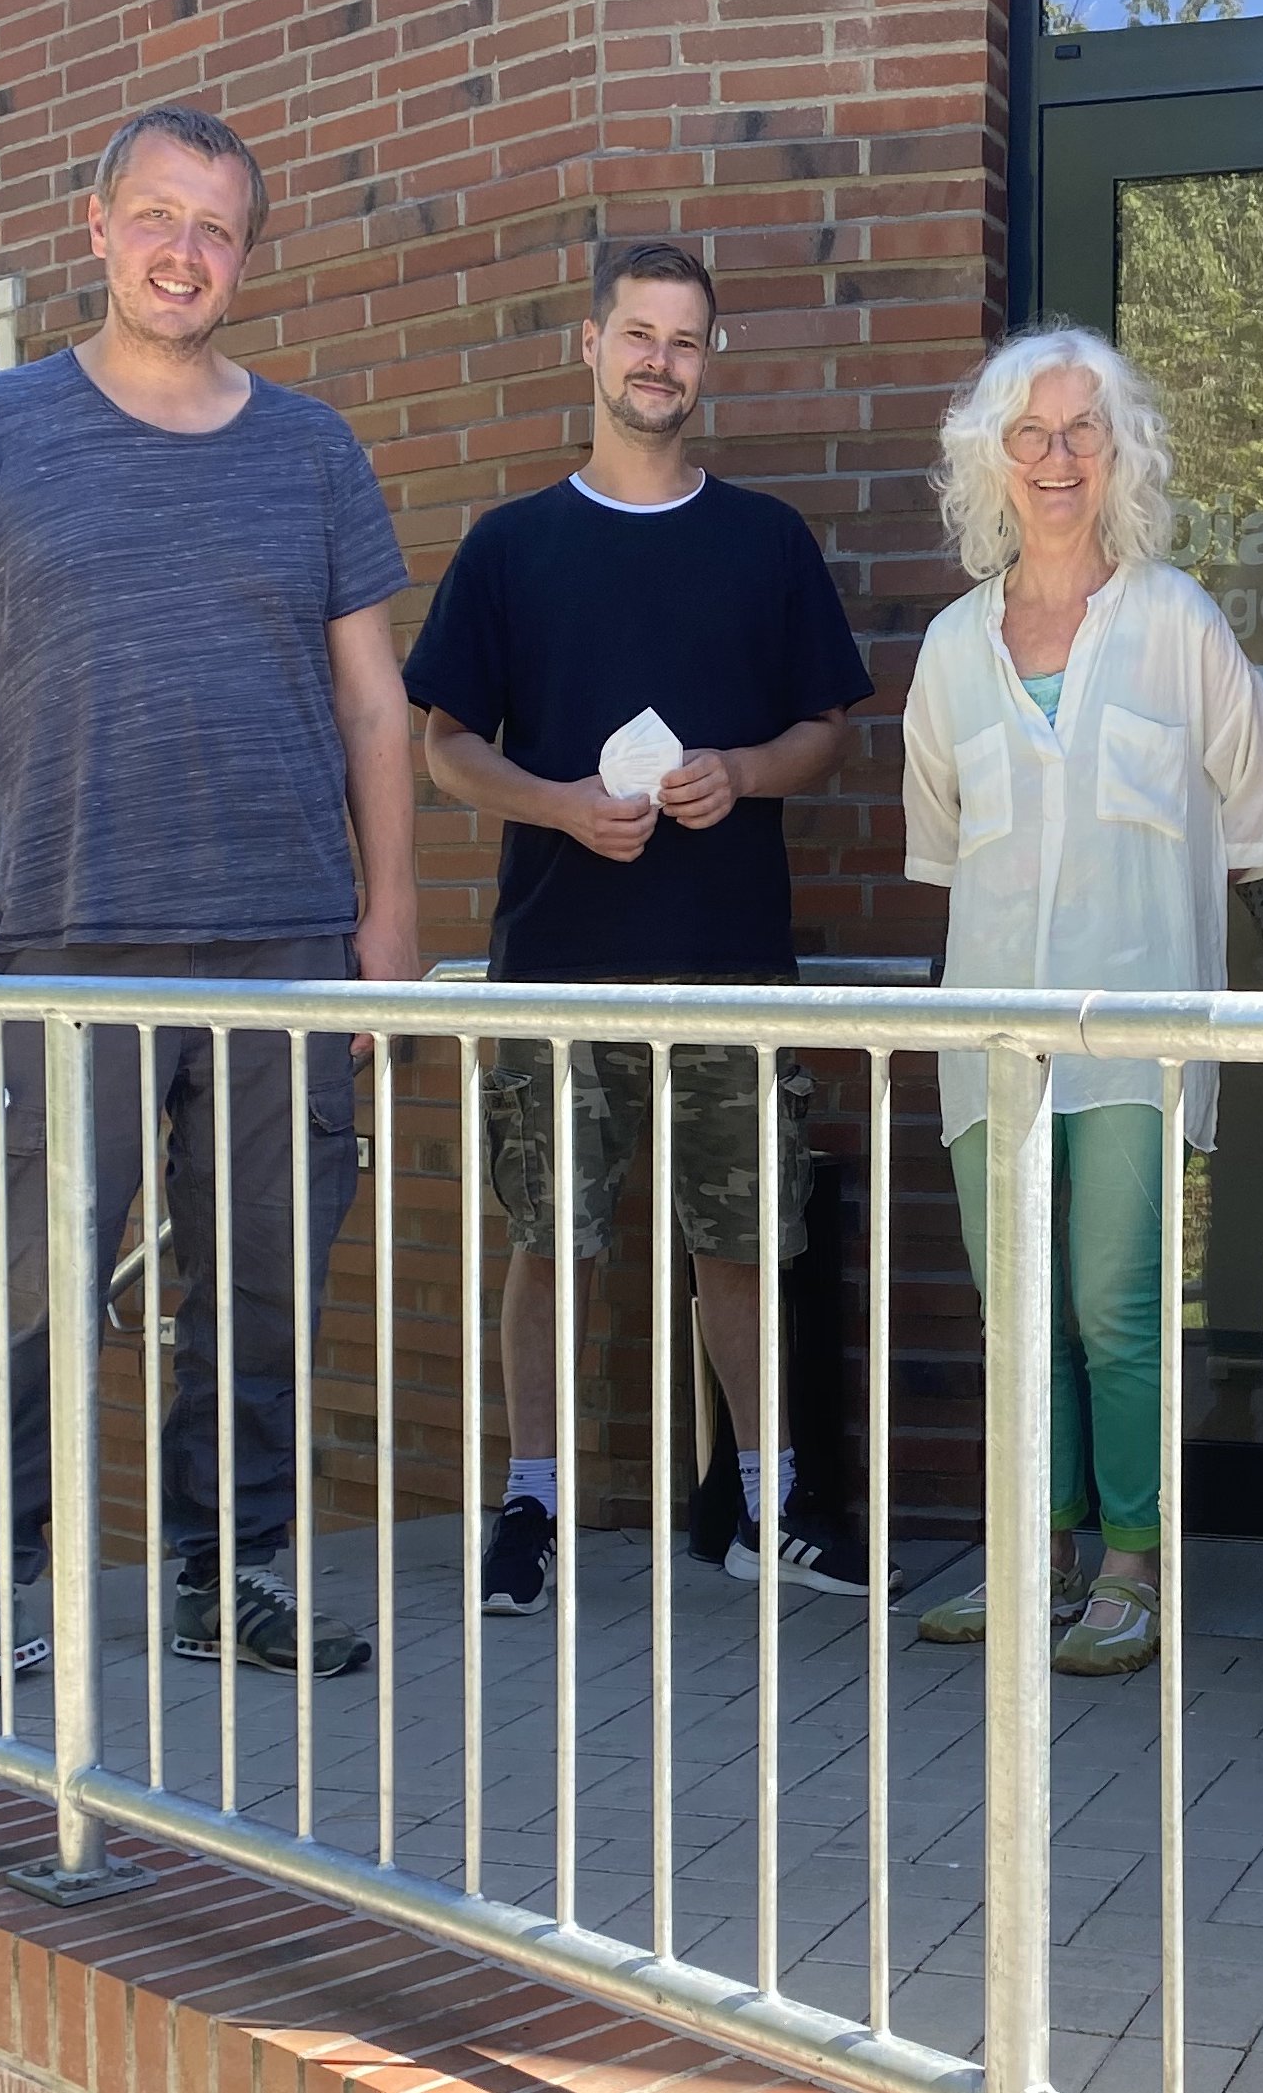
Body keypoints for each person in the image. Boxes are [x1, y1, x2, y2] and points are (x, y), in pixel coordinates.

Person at [0, 104, 415, 1695]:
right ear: (97, 222)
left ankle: (230, 1572)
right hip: (67, 927)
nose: (185, 252)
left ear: (247, 256)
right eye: (159, 217)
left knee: (264, 1279)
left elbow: (378, 705)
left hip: (289, 940)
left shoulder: (315, 448)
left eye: (218, 229)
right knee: (32, 1285)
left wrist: (392, 919)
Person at [404, 239, 877, 1617]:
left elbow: (826, 733)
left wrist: (744, 771)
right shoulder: (512, 546)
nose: (660, 359)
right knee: (550, 1236)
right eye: (639, 333)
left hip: (731, 963)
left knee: (744, 1239)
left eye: (685, 338)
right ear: (593, 347)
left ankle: (766, 1500)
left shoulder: (765, 541)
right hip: (556, 963)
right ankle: (531, 1499)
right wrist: (554, 802)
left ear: (705, 361)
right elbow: (442, 747)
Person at [903, 325, 1263, 1677]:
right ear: (992, 461)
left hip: (1134, 1033)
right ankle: (1035, 1560)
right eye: (1032, 432)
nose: (1059, 457)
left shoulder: (1179, 622)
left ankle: (1133, 1563)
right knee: (1013, 1310)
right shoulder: (955, 650)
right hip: (990, 1041)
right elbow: (943, 845)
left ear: (1118, 453)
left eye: (1084, 431)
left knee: (1114, 1303)